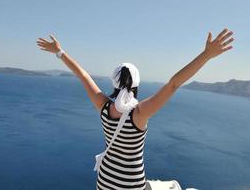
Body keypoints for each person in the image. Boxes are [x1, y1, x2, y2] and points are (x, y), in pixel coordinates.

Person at [36, 28, 234, 189]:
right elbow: (173, 84)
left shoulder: (103, 106)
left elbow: (83, 76)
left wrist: (60, 52)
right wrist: (206, 55)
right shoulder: (139, 113)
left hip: (104, 182)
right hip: (130, 186)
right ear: (137, 84)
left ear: (114, 83)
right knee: (171, 187)